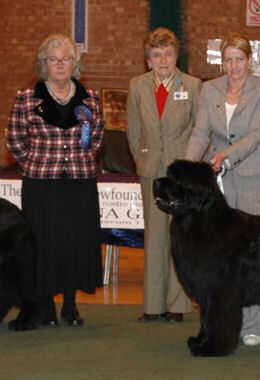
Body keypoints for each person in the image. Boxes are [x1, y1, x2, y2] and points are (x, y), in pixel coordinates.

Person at [6, 34, 104, 327]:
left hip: (79, 183)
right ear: (44, 64)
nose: (60, 65)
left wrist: (76, 161)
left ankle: (71, 306)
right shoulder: (27, 97)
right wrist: (36, 162)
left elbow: (97, 139)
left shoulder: (90, 99)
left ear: (75, 64)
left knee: (75, 243)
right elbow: (15, 139)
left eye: (66, 59)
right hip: (41, 184)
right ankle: (45, 306)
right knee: (43, 244)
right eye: (53, 59)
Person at [185, 33, 260, 346]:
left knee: (254, 255)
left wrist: (227, 155)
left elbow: (255, 136)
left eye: (239, 59)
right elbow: (200, 132)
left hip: (253, 175)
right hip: (219, 183)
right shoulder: (209, 89)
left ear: (249, 61)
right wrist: (187, 166)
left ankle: (253, 326)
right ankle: (224, 322)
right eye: (228, 59)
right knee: (221, 257)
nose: (234, 65)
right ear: (221, 62)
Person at [126, 27, 202, 323]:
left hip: (182, 177)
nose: (163, 60)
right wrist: (144, 160)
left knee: (181, 237)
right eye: (156, 55)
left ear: (176, 56)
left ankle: (178, 306)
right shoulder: (137, 86)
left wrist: (191, 168)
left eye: (169, 54)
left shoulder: (194, 85)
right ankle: (153, 305)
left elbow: (200, 130)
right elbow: (133, 132)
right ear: (147, 60)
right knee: (154, 237)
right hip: (151, 173)